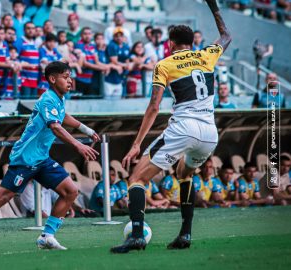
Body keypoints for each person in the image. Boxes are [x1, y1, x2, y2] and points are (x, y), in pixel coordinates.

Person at [110, 0, 232, 253]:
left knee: (136, 179)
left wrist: (136, 145)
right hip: (210, 132)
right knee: (185, 174)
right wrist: (213, 6)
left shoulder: (165, 64)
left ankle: (136, 236)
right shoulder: (207, 55)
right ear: (192, 43)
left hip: (184, 128)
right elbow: (226, 35)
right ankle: (185, 234)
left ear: (170, 44)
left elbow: (154, 107)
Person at [0, 61, 100, 257]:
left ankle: (47, 236)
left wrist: (87, 130)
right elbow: (56, 127)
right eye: (65, 77)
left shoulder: (59, 99)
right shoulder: (48, 98)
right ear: (52, 79)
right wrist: (78, 144)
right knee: (2, 197)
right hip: (25, 158)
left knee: (70, 191)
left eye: (70, 77)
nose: (70, 81)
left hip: (41, 159)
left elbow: (64, 116)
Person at [75, 27, 109, 97]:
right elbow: (85, 63)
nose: (87, 36)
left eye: (89, 34)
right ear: (81, 35)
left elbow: (96, 61)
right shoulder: (79, 45)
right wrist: (102, 68)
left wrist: (107, 67)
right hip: (80, 79)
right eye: (85, 34)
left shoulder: (92, 46)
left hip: (90, 80)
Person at [104, 27, 130, 100]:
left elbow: (127, 59)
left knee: (119, 99)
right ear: (113, 37)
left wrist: (127, 65)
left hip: (121, 77)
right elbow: (114, 60)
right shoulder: (112, 45)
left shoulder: (125, 46)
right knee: (107, 99)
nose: (119, 38)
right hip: (110, 76)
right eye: (116, 36)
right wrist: (125, 65)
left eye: (120, 36)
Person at [19, 22, 40, 99]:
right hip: (24, 80)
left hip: (35, 80)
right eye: (28, 28)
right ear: (24, 30)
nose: (31, 30)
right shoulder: (20, 42)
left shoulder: (35, 43)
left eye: (32, 28)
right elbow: (14, 58)